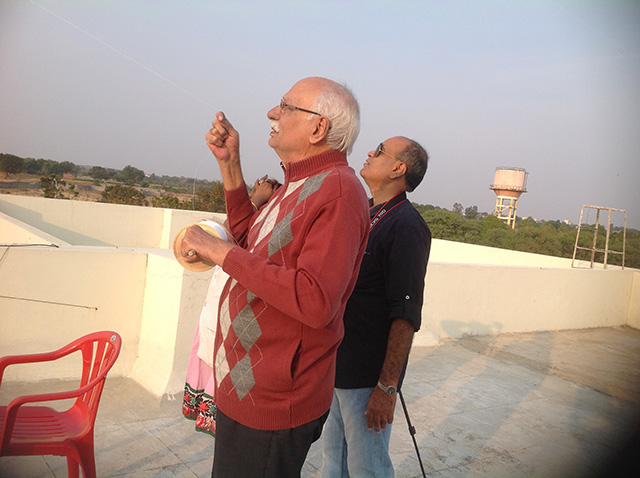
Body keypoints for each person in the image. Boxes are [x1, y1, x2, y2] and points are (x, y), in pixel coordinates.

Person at [180, 77, 370, 477]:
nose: (272, 113)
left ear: (318, 128)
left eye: (286, 106)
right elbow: (253, 243)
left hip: (274, 401)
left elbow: (315, 300)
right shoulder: (298, 181)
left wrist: (220, 251)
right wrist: (230, 165)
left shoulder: (338, 190)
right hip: (247, 385)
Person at [322, 136, 431, 477]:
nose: (369, 153)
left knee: (367, 468)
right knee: (334, 463)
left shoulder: (407, 226)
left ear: (399, 168)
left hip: (368, 379)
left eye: (379, 151)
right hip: (340, 367)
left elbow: (406, 314)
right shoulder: (367, 212)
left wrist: (387, 387)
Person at [182, 176, 280, 436]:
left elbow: (227, 238)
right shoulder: (250, 228)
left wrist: (256, 198)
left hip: (229, 328)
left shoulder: (262, 236)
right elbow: (224, 234)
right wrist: (255, 199)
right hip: (215, 318)